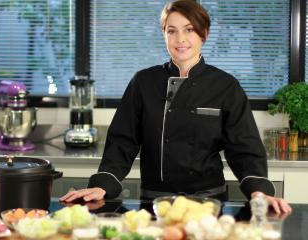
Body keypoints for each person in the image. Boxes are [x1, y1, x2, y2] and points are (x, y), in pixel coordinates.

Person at [60, 0, 292, 214]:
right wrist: (103, 185)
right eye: (171, 31)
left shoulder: (225, 86)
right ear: (164, 35)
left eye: (189, 29)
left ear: (204, 34)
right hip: (154, 204)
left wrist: (259, 192)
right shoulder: (143, 82)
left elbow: (244, 149)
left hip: (208, 205)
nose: (180, 39)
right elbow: (123, 141)